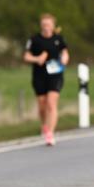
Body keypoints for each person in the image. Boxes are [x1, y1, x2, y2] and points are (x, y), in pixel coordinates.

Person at [22, 13, 70, 146]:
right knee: (42, 105)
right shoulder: (34, 40)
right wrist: (37, 59)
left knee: (51, 103)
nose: (46, 27)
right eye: (44, 25)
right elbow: (26, 56)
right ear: (41, 26)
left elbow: (65, 53)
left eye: (49, 24)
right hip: (39, 75)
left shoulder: (59, 39)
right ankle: (45, 125)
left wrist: (65, 59)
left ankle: (50, 133)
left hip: (55, 74)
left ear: (53, 26)